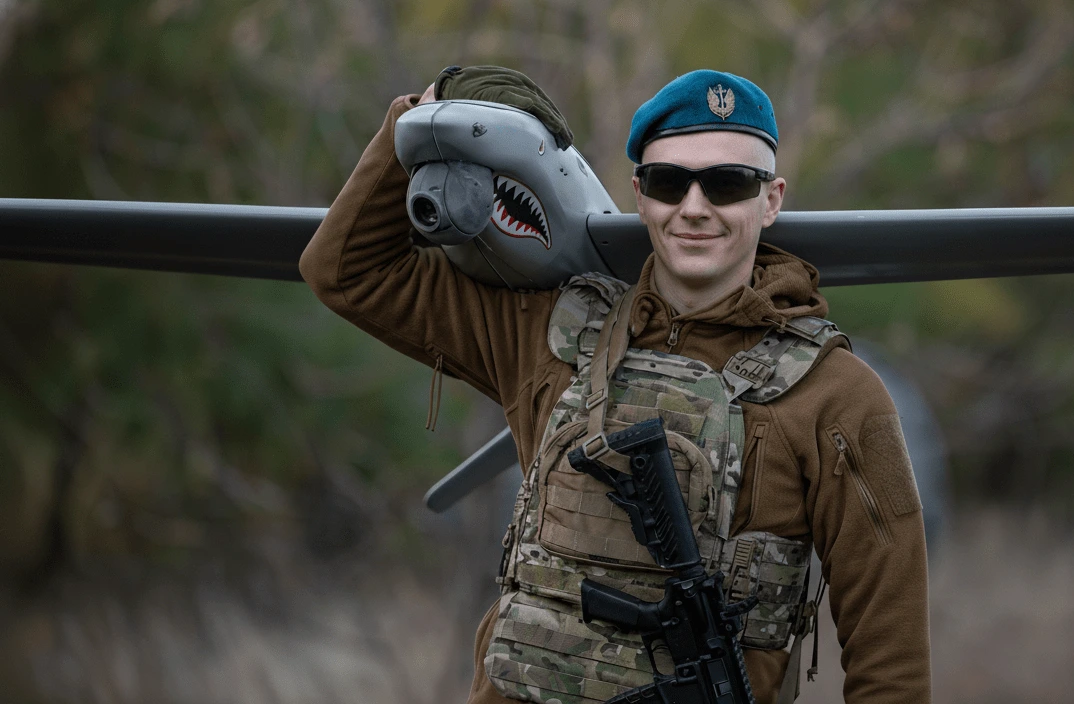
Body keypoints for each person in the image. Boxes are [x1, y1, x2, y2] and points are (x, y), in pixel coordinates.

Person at [299, 66, 931, 704]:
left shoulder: (839, 396)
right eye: (668, 182)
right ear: (639, 194)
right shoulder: (547, 334)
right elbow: (344, 270)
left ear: (771, 199)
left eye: (728, 183)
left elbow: (891, 664)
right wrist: (423, 116)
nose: (694, 208)